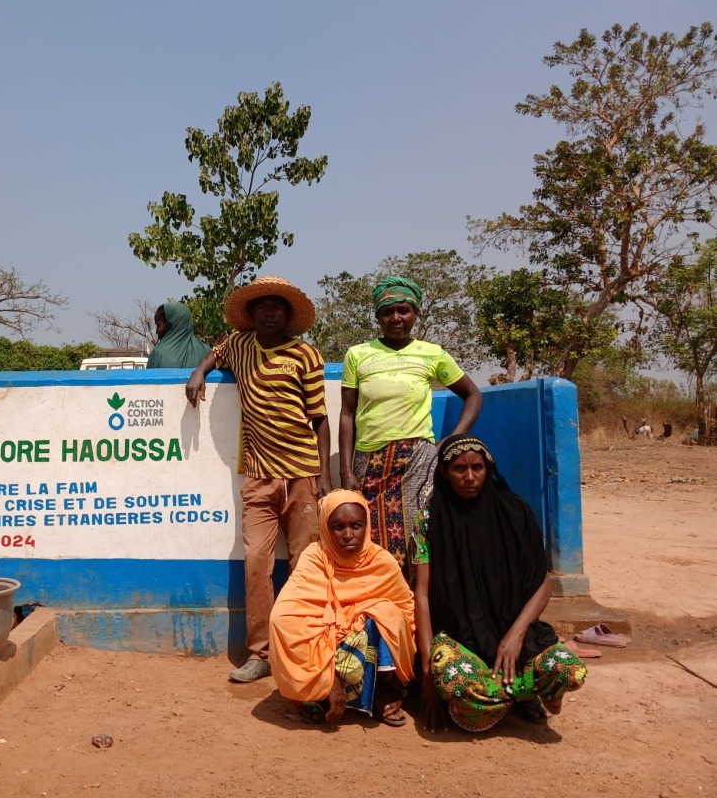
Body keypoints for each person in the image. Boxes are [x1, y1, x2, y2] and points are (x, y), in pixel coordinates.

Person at [186, 276, 332, 683]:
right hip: (258, 476)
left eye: (277, 307)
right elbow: (216, 351)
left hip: (302, 474)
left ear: (288, 314)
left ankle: (303, 648)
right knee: (256, 565)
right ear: (250, 314)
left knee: (305, 564)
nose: (269, 313)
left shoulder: (305, 355)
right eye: (261, 307)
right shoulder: (240, 345)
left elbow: (319, 418)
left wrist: (322, 475)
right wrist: (199, 371)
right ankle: (261, 653)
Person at [413, 435, 587, 732]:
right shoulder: (428, 520)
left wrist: (516, 634)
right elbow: (423, 596)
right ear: (444, 472)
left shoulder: (514, 512)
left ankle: (516, 693)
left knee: (568, 670)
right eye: (459, 468)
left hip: (515, 632)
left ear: (488, 469)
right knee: (455, 683)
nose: (470, 477)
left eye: (477, 467)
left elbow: (542, 582)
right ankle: (513, 695)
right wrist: (428, 674)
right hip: (459, 637)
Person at [338, 276, 481, 575]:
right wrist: (346, 470)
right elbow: (347, 414)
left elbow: (472, 395)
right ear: (377, 317)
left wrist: (451, 440)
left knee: (417, 529)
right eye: (387, 312)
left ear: (415, 313)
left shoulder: (432, 353)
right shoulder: (358, 354)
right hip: (370, 459)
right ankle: (377, 597)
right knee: (370, 531)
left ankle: (418, 599)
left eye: (403, 310)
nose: (396, 318)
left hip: (417, 458)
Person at [270, 490, 416, 726]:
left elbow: (406, 613)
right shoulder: (315, 558)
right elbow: (284, 616)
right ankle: (319, 691)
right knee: (287, 623)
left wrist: (398, 685)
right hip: (327, 653)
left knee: (388, 613)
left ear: (366, 526)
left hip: (368, 647)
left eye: (356, 526)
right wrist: (328, 677)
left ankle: (383, 693)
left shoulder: (382, 562)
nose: (348, 535)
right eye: (338, 527)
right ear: (325, 529)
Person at [146, 300, 211, 369]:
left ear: (170, 325)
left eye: (158, 325)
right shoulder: (207, 352)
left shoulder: (158, 354)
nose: (156, 331)